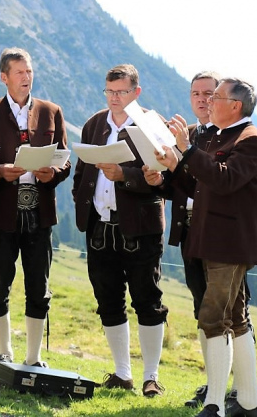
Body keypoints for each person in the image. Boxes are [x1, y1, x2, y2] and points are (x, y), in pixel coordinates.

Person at [156, 77, 257, 417]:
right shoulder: (222, 136)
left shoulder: (250, 140)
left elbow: (225, 179)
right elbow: (198, 184)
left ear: (236, 106)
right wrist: (174, 165)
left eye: (216, 97)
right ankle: (250, 404)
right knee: (235, 318)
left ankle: (215, 405)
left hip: (231, 242)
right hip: (213, 239)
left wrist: (187, 151)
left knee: (212, 316)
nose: (209, 102)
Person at [0, 47, 71, 372]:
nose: (27, 77)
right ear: (4, 77)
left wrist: (51, 173)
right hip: (1, 213)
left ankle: (33, 357)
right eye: (20, 72)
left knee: (38, 287)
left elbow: (65, 161)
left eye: (29, 72)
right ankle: (4, 352)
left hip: (40, 214)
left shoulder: (51, 111)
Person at [72, 64, 168, 398]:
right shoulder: (94, 123)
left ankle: (151, 377)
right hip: (99, 225)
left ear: (136, 93)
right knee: (108, 299)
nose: (114, 98)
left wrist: (124, 176)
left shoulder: (151, 125)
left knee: (147, 300)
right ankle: (122, 373)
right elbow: (82, 171)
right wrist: (81, 201)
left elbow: (164, 180)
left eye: (121, 92)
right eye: (109, 92)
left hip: (140, 229)